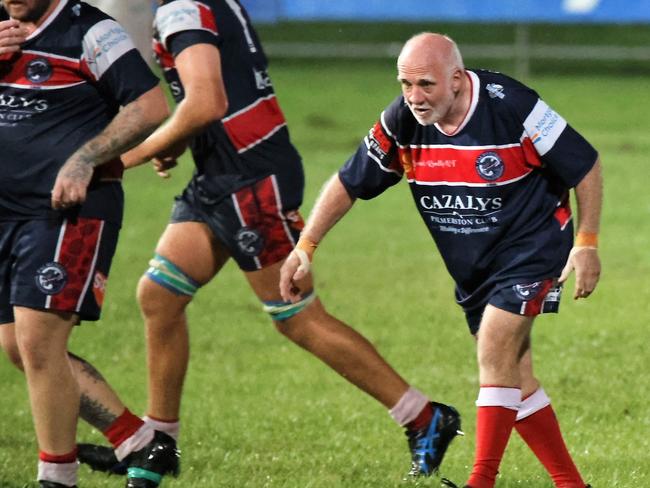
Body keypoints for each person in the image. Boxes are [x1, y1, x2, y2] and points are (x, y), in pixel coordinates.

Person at [72, 0, 463, 484]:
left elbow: (207, 102)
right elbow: (225, 90)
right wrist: (177, 142)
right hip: (225, 173)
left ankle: (423, 417)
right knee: (159, 296)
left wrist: (118, 159)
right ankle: (157, 444)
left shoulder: (182, 8)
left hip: (250, 179)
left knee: (298, 318)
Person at [279, 33, 602, 488]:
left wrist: (585, 242)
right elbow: (349, 181)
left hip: (535, 245)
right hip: (474, 267)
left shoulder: (510, 104)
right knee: (515, 375)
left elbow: (584, 164)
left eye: (425, 84)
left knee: (494, 348)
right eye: (405, 84)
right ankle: (572, 484)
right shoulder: (403, 122)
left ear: (455, 79)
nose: (414, 97)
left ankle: (480, 481)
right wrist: (305, 246)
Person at [0, 0, 173, 487]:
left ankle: (57, 477)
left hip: (65, 213)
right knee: (18, 346)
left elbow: (150, 105)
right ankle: (140, 442)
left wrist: (84, 160)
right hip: (6, 213)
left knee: (38, 342)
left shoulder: (91, 31)